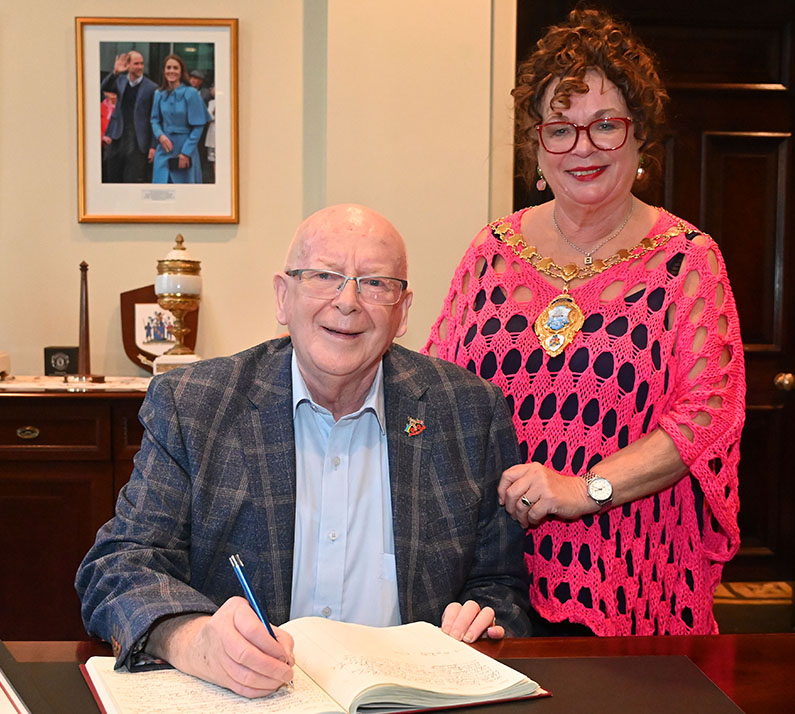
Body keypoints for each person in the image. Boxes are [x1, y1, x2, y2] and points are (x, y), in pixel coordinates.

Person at [76, 204, 530, 697]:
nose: (348, 301)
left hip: (406, 703)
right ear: (282, 297)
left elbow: (500, 585)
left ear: (402, 311)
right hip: (248, 702)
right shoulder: (196, 405)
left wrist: (483, 624)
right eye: (324, 276)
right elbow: (118, 566)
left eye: (375, 283)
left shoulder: (467, 411)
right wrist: (193, 640)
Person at [425, 8, 745, 637]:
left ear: (638, 135)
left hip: (634, 580)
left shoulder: (687, 260)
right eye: (561, 129)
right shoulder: (489, 254)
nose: (584, 148)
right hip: (490, 584)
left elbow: (706, 417)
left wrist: (584, 489)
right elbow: (437, 399)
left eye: (605, 125)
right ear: (536, 145)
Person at [150, 54, 210, 184]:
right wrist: (160, 136)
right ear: (164, 70)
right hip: (164, 149)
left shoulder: (191, 93)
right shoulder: (158, 94)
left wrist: (186, 152)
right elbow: (154, 120)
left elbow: (199, 126)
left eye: (175, 68)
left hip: (185, 149)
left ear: (181, 71)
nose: (171, 71)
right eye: (168, 67)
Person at [101, 51, 158, 183]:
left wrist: (153, 146)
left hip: (138, 143)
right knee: (113, 179)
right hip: (117, 139)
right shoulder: (120, 81)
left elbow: (154, 118)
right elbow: (104, 87)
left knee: (132, 181)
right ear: (128, 65)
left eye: (142, 63)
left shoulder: (151, 87)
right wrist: (115, 72)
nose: (140, 67)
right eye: (136, 63)